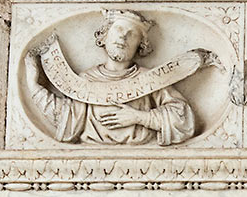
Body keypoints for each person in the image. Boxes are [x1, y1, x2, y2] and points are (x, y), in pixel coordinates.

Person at [24, 10, 196, 145]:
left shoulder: (150, 79)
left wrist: (139, 117)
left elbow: (182, 118)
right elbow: (67, 118)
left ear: (140, 45)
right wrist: (33, 85)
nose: (123, 37)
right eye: (118, 30)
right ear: (104, 37)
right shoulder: (86, 80)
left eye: (132, 34)